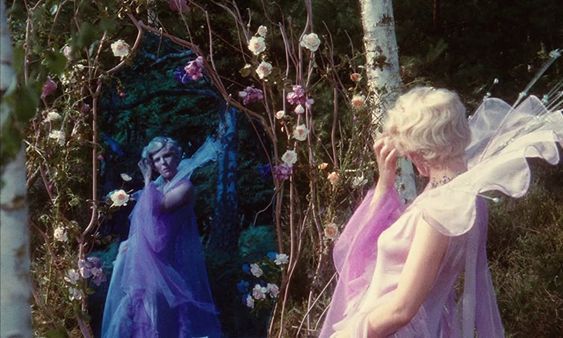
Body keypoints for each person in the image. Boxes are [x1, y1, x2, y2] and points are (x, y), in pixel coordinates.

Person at [320, 87, 562, 337]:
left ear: (418, 150)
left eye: (407, 150)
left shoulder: (438, 212)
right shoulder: (461, 195)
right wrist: (385, 184)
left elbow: (402, 309)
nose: (408, 157)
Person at [101, 136, 222, 338]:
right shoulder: (157, 188)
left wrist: (147, 179)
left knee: (167, 317)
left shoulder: (184, 187)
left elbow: (156, 209)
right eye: (157, 160)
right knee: (141, 311)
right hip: (148, 259)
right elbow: (144, 219)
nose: (163, 163)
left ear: (177, 157)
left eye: (167, 156)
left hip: (168, 262)